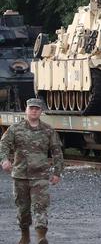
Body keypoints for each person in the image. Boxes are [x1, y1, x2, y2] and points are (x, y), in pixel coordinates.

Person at [0, 98, 64, 244]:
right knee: (22, 209)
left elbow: (57, 152)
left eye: (37, 108)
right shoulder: (15, 129)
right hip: (20, 176)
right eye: (31, 108)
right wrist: (4, 160)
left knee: (40, 206)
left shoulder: (48, 130)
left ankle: (41, 236)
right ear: (26, 110)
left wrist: (57, 172)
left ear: (41, 111)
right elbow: (3, 145)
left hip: (40, 176)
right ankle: (25, 235)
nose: (34, 111)